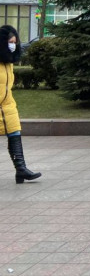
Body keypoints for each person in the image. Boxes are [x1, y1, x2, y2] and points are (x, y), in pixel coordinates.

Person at [1, 25, 41, 184]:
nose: (13, 45)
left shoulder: (8, 63)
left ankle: (21, 169)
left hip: (7, 104)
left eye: (14, 42)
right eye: (10, 42)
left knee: (15, 133)